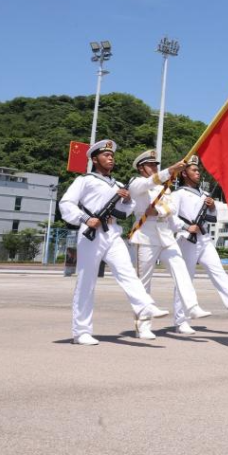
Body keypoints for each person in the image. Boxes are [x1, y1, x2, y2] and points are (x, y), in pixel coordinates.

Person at [58, 140, 169, 345]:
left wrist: (127, 200)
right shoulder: (85, 180)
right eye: (105, 155)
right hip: (91, 232)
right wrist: (84, 218)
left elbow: (125, 212)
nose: (110, 158)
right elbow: (66, 203)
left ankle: (145, 305)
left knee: (126, 270)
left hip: (112, 231)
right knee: (86, 282)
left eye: (112, 155)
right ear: (94, 159)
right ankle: (81, 331)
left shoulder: (118, 185)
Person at [128, 150, 210, 339]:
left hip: (165, 233)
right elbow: (149, 183)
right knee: (143, 281)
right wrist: (170, 170)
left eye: (157, 165)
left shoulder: (164, 188)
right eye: (151, 165)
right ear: (141, 168)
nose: (155, 168)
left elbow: (172, 210)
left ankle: (191, 306)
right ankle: (143, 325)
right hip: (146, 234)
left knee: (181, 269)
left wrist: (162, 214)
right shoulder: (137, 183)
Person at [172, 157, 228, 331]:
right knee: (185, 279)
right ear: (184, 173)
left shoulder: (204, 194)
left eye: (197, 170)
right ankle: (181, 321)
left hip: (204, 239)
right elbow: (170, 217)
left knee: (218, 270)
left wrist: (211, 206)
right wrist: (186, 226)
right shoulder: (177, 194)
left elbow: (212, 218)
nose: (197, 173)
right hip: (187, 239)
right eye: (194, 170)